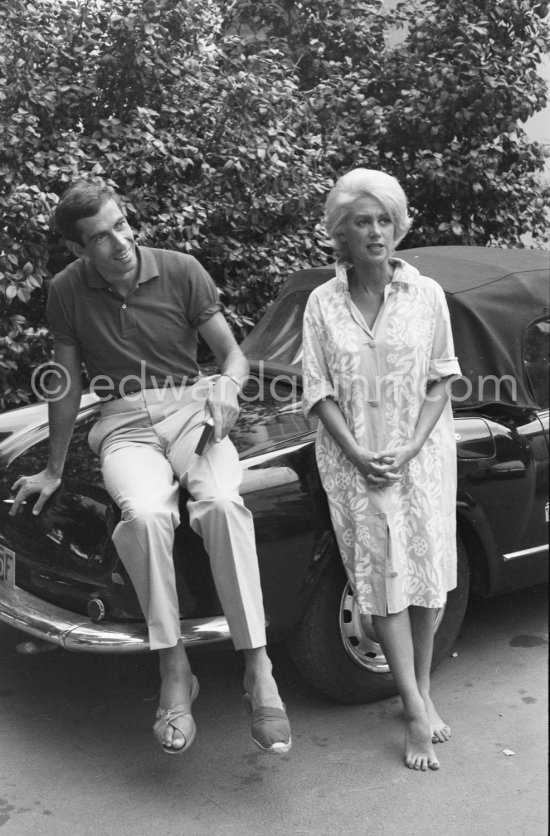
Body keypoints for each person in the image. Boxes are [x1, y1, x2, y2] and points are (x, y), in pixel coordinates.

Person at [10, 179, 291, 756]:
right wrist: (55, 467)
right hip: (123, 425)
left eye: (121, 224)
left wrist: (229, 390)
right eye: (100, 236)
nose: (119, 242)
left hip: (192, 410)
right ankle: (174, 669)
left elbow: (233, 354)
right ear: (77, 249)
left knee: (220, 503)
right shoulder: (65, 292)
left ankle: (258, 667)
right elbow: (65, 384)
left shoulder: (181, 268)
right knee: (141, 516)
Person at [301, 169, 460, 771]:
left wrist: (413, 446)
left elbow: (442, 378)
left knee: (424, 575)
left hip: (421, 459)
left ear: (399, 227)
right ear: (341, 233)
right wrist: (357, 453)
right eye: (362, 221)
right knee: (381, 581)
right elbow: (316, 390)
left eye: (384, 220)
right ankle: (416, 713)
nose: (375, 232)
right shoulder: (322, 302)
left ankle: (418, 689)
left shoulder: (428, 295)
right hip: (353, 463)